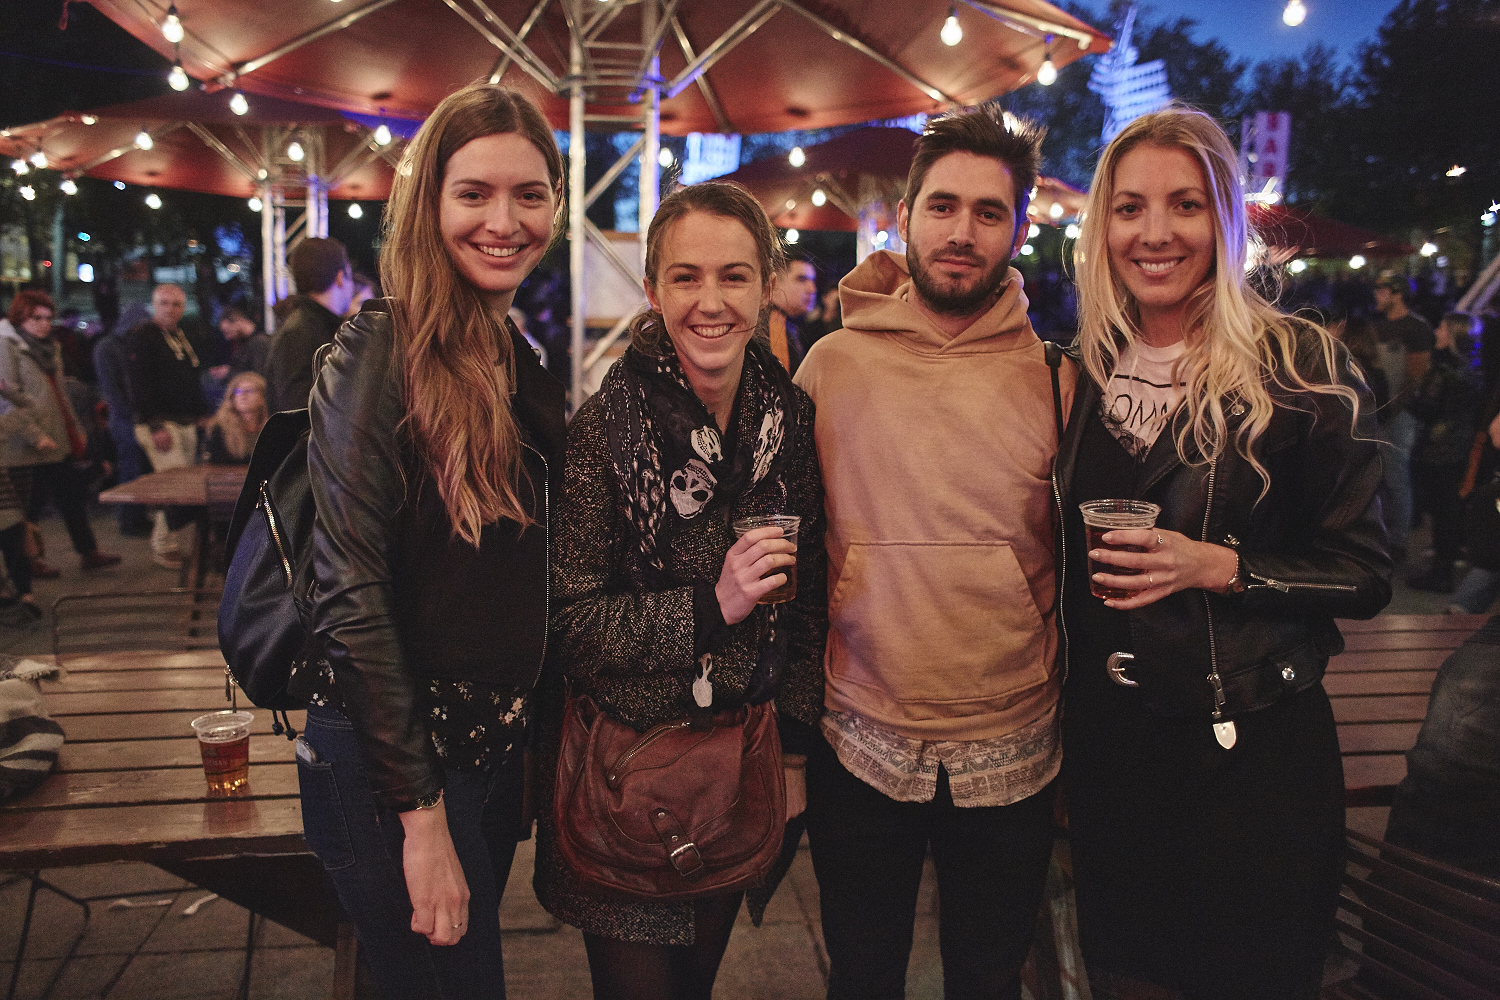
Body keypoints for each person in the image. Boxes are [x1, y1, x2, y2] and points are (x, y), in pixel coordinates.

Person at [1056, 106, 1391, 1000]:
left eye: (1184, 205)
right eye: (1129, 209)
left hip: (1251, 762)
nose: (1154, 233)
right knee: (1125, 980)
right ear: (1103, 227)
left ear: (1227, 217)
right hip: (1114, 755)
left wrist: (1222, 566)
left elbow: (1367, 573)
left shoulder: (1301, 369)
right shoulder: (1083, 369)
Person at [793, 107, 1071, 1000]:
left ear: (1019, 229)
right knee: (862, 975)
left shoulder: (1060, 377)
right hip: (859, 734)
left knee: (989, 978)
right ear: (905, 216)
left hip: (1017, 739)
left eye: (989, 213)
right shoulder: (831, 365)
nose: (962, 232)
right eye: (943, 207)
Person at [298, 82, 567, 999]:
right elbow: (350, 590)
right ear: (430, 205)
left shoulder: (513, 355)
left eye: (530, 194)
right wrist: (419, 820)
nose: (505, 220)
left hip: (485, 755)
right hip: (395, 763)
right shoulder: (379, 348)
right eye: (475, 193)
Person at [539, 181, 826, 1000]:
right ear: (653, 288)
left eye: (734, 277)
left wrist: (796, 751)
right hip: (621, 771)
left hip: (736, 767)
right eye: (686, 277)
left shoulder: (788, 417)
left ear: (768, 282)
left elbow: (807, 604)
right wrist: (713, 605)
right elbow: (571, 626)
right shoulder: (608, 428)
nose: (711, 302)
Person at [0, 291, 122, 575]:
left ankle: (87, 551)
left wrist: (75, 431)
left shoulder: (48, 348)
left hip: (54, 435)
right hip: (26, 442)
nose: (43, 323)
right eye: (36, 317)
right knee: (27, 508)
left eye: (47, 318)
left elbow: (59, 394)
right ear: (21, 317)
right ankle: (26, 563)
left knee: (70, 496)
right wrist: (33, 434)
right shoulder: (7, 346)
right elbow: (8, 397)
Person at [125, 283, 211, 569]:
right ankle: (163, 545)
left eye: (176, 304)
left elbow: (189, 379)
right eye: (164, 303)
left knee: (181, 485)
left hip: (184, 421)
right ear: (153, 304)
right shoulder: (143, 337)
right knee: (172, 485)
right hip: (162, 423)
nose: (170, 309)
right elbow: (138, 385)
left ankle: (168, 541)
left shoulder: (180, 336)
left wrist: (200, 413)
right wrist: (154, 425)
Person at [1406, 311, 1482, 592]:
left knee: (1442, 512)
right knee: (1448, 511)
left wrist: (1413, 395)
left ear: (1452, 334)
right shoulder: (1473, 367)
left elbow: (1427, 408)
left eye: (1441, 327)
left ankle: (1441, 572)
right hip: (1457, 447)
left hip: (1441, 449)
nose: (1436, 332)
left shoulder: (1445, 369)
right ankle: (1443, 565)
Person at [1373, 272, 1435, 564]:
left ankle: (1398, 542)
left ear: (1397, 294)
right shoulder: (1381, 326)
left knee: (1397, 477)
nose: (1377, 295)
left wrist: (1393, 409)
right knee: (1382, 477)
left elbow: (1416, 377)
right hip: (1381, 412)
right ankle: (1384, 537)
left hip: (1400, 415)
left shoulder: (1416, 329)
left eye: (1382, 290)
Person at [266, 237, 355, 413]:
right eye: (350, 275)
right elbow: (298, 412)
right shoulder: (300, 332)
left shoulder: (309, 326)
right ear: (340, 277)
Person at [93, 303, 153, 537]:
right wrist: (130, 413)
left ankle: (136, 516)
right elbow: (112, 389)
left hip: (131, 415)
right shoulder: (108, 348)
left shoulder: (125, 345)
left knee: (137, 468)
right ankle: (129, 520)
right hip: (124, 418)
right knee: (131, 468)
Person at [201, 303, 270, 411]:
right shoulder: (246, 344)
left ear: (238, 322)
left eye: (227, 331)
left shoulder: (259, 343)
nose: (227, 337)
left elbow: (258, 375)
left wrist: (229, 372)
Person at [767, 251, 817, 373]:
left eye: (813, 281)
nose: (812, 289)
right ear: (775, 283)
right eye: (801, 279)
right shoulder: (773, 324)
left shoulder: (786, 322)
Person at [201, 371, 267, 464]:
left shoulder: (273, 426)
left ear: (262, 397)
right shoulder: (219, 429)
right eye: (238, 391)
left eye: (249, 391)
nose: (243, 396)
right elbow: (215, 464)